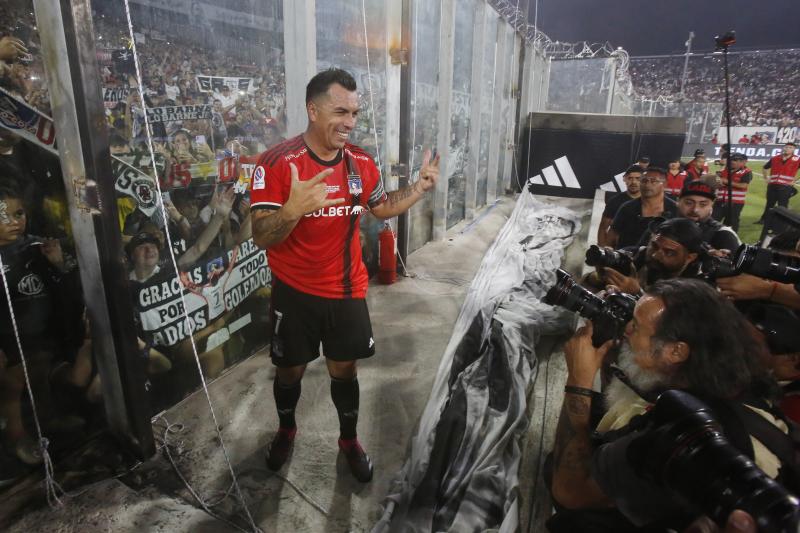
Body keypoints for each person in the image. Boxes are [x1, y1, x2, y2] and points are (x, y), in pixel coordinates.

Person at [249, 68, 440, 482]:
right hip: (294, 293)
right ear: (312, 110)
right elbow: (262, 235)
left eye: (354, 112)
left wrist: (419, 188)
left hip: (348, 291)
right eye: (340, 111)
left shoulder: (361, 161)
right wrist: (292, 209)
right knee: (290, 372)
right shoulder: (278, 163)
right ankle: (286, 429)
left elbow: (381, 205)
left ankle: (348, 440)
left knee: (344, 370)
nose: (350, 122)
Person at [548, 279, 786, 531]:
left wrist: (578, 380)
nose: (626, 328)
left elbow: (569, 492)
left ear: (676, 352)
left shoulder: (672, 433)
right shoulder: (742, 387)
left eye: (636, 326)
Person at [594, 218, 703, 296]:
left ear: (690, 257)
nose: (655, 255)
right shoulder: (634, 255)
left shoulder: (699, 285)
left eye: (669, 252)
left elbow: (678, 322)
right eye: (654, 246)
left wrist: (637, 293)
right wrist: (601, 277)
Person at [607, 166, 677, 249]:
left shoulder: (675, 209)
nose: (647, 184)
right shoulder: (627, 208)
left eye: (653, 181)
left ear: (665, 184)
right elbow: (611, 237)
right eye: (644, 180)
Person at [676, 180, 740, 253]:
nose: (695, 209)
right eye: (689, 203)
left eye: (703, 204)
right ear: (678, 201)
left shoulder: (724, 234)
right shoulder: (665, 226)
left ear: (711, 206)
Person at [597, 165, 642, 247]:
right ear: (624, 179)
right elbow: (603, 227)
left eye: (638, 178)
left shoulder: (650, 201)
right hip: (619, 249)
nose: (634, 182)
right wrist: (602, 250)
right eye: (630, 178)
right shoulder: (615, 202)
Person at [758, 142, 799, 224]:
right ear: (784, 148)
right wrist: (766, 178)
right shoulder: (775, 158)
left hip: (785, 186)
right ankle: (764, 220)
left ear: (794, 149)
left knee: (782, 205)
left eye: (790, 147)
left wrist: (794, 180)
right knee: (769, 204)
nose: (788, 149)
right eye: (786, 147)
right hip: (772, 185)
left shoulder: (797, 159)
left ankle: (780, 223)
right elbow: (765, 167)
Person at [713, 153, 752, 232]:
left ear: (741, 162)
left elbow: (744, 185)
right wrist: (717, 182)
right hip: (720, 201)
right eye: (731, 160)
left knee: (730, 224)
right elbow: (717, 184)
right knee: (712, 221)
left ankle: (729, 241)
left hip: (735, 203)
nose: (732, 162)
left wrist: (727, 181)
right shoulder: (724, 170)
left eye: (735, 160)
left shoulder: (746, 172)